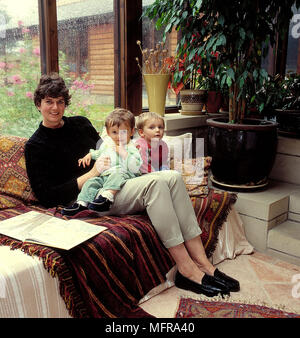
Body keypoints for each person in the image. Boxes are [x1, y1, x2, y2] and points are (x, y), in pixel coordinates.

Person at [25, 73, 240, 298]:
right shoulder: (36, 145)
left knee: (173, 176)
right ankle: (186, 271)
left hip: (115, 180)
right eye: (49, 101)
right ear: (38, 104)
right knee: (156, 184)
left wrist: (127, 153)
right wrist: (92, 173)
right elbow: (47, 196)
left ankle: (205, 264)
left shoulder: (80, 123)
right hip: (91, 196)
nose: (55, 108)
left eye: (60, 101)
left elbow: (107, 145)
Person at [62, 108, 143, 216]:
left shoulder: (131, 147)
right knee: (91, 182)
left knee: (117, 174)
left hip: (125, 175)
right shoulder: (108, 144)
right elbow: (100, 153)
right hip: (105, 176)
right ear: (108, 133)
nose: (118, 136)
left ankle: (107, 197)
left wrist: (123, 153)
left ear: (132, 131)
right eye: (114, 132)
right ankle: (81, 203)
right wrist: (90, 155)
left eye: (123, 132)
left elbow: (136, 165)